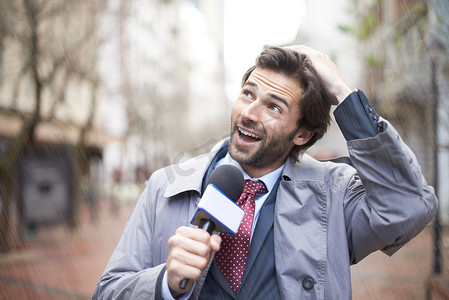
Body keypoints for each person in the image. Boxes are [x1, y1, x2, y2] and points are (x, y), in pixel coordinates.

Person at [92, 45, 438, 299]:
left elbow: (407, 206)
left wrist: (343, 95)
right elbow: (107, 292)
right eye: (247, 94)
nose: (249, 113)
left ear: (302, 134)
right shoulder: (164, 187)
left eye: (274, 106)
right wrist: (164, 283)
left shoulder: (335, 196)